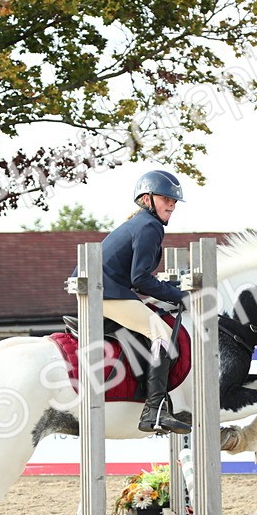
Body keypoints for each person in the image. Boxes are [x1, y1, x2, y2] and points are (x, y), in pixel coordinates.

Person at [81, 169, 191, 435]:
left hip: (103, 290)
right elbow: (140, 279)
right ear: (147, 198)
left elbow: (140, 279)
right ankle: (154, 410)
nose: (172, 205)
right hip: (105, 293)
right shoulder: (149, 226)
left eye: (174, 201)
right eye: (166, 199)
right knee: (162, 333)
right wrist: (181, 296)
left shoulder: (142, 223)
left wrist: (171, 289)